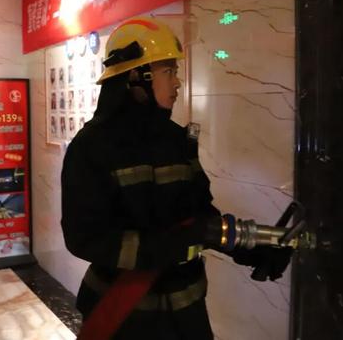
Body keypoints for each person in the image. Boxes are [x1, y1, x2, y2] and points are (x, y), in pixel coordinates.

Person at [61, 17, 292, 339]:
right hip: (123, 317)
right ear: (136, 78)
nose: (178, 83)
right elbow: (84, 238)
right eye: (168, 71)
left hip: (187, 314)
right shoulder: (91, 147)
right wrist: (173, 244)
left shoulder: (176, 139)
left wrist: (248, 247)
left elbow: (199, 214)